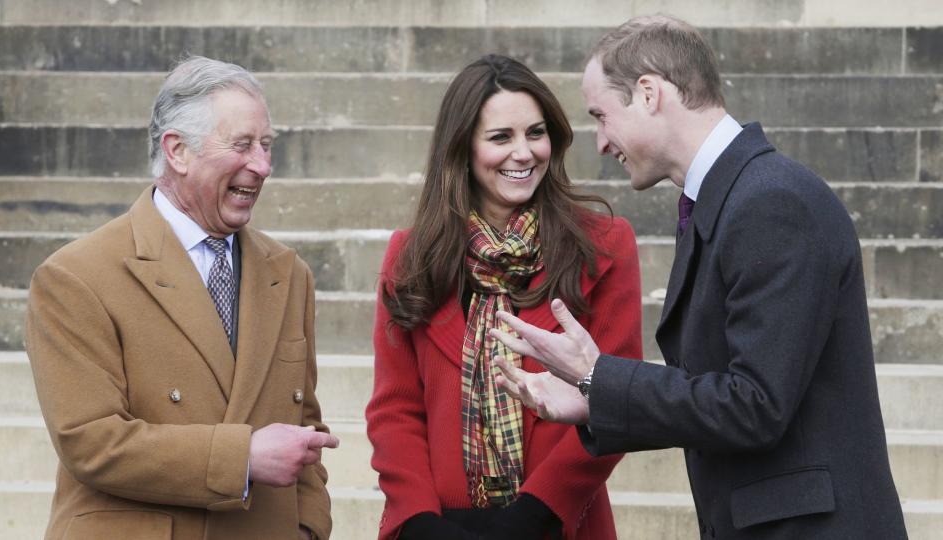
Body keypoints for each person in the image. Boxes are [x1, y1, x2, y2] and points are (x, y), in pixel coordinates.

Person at [493, 15, 908, 539]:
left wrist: (601, 376)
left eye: (601, 115)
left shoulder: (770, 201)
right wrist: (596, 399)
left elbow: (754, 405)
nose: (599, 141)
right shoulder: (735, 195)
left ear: (648, 93)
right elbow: (723, 395)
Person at [25, 56, 339, 540]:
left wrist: (308, 529)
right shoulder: (75, 276)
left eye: (266, 145)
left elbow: (307, 431)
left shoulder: (290, 275)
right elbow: (90, 441)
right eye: (242, 145)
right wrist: (244, 458)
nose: (262, 165)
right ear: (178, 151)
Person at [365, 54, 642, 540]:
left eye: (535, 133)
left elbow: (615, 400)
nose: (524, 153)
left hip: (554, 524)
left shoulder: (606, 246)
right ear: (463, 149)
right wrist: (419, 522)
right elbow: (396, 409)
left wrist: (536, 513)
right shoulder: (410, 257)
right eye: (500, 138)